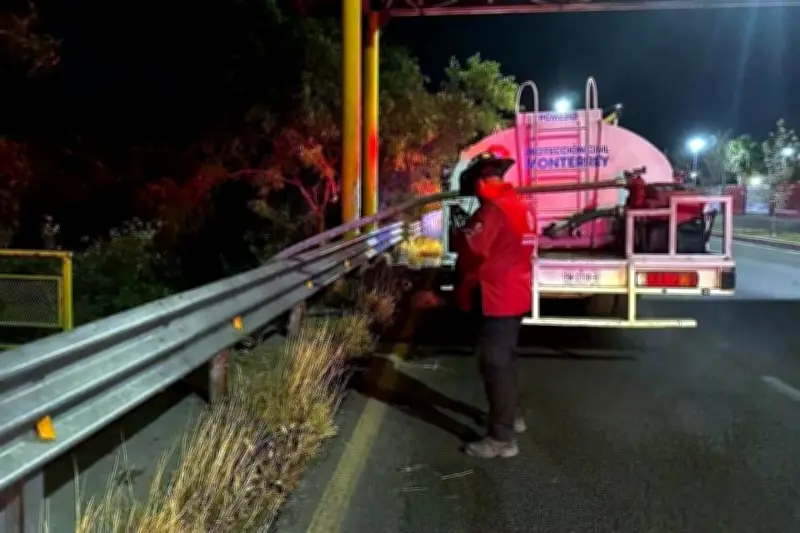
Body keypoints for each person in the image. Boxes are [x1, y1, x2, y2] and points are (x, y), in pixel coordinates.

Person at [449, 151, 535, 459]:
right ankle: (514, 416)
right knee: (506, 362)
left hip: (495, 297)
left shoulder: (492, 211)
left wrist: (458, 232)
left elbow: (472, 248)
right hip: (515, 293)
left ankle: (501, 438)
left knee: (495, 366)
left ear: (481, 183)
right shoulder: (519, 205)